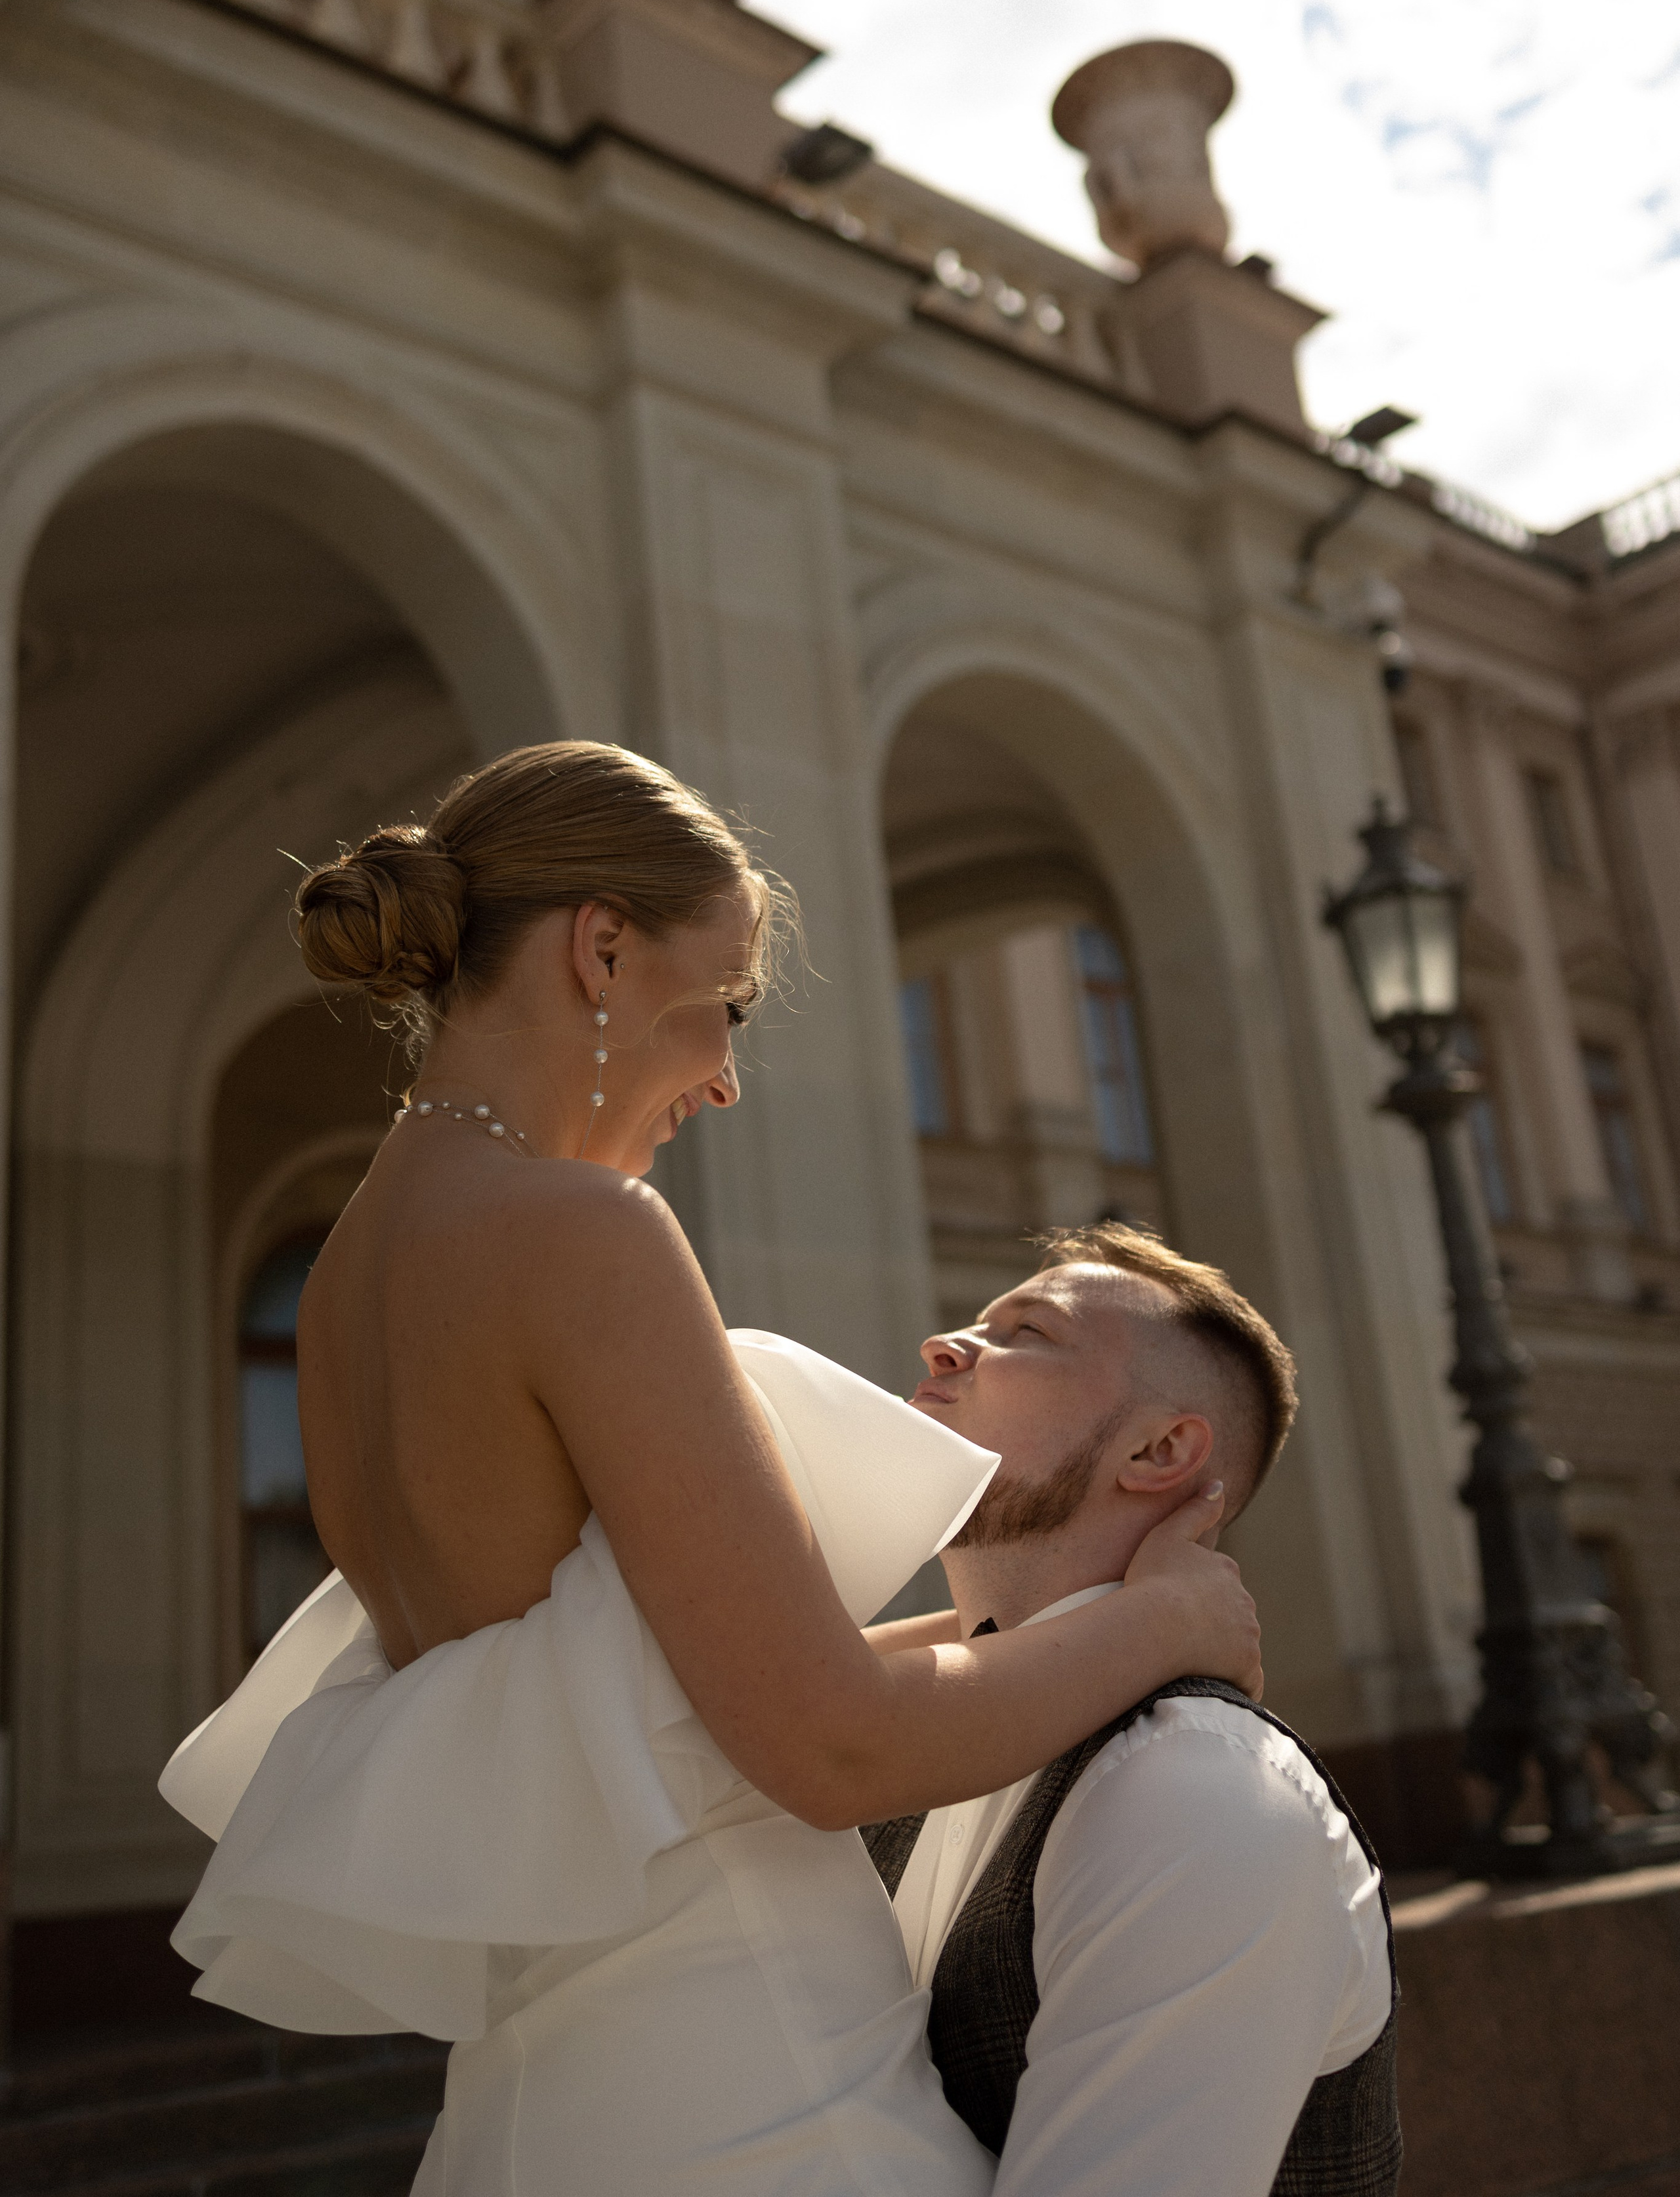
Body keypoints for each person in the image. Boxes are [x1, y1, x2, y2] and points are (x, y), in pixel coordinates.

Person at [159, 742, 1262, 2197]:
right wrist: (1170, 1622)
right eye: (726, 1005)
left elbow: (646, 1697)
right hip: (767, 2096)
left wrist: (1050, 1614)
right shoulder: (580, 1235)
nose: (729, 1080)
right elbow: (832, 1748)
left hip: (541, 2107)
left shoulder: (350, 1277)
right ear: (602, 948)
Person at [864, 1223, 1402, 2197]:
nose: (944, 1346)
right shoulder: (911, 1738)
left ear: (1159, 1449)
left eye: (1028, 1334)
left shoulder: (1198, 1791)